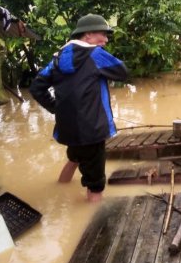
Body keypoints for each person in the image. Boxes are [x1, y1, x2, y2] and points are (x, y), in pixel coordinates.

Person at [30, 14, 128, 202]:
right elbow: (122, 72)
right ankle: (93, 218)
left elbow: (36, 87)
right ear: (88, 35)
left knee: (75, 157)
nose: (106, 40)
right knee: (96, 182)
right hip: (92, 131)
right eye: (103, 35)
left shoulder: (58, 57)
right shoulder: (95, 54)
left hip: (68, 128)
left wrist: (55, 108)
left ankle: (59, 189)